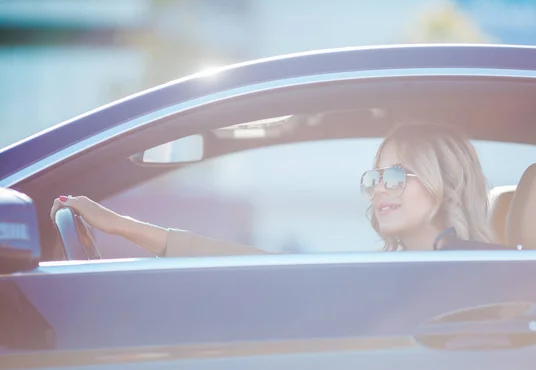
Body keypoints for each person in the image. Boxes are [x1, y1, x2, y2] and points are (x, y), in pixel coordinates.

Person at [50, 122, 496, 256]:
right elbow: (262, 266)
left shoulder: (481, 273)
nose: (380, 189)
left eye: (396, 175)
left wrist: (124, 226)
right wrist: (122, 226)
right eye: (374, 177)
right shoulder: (392, 269)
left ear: (446, 182)